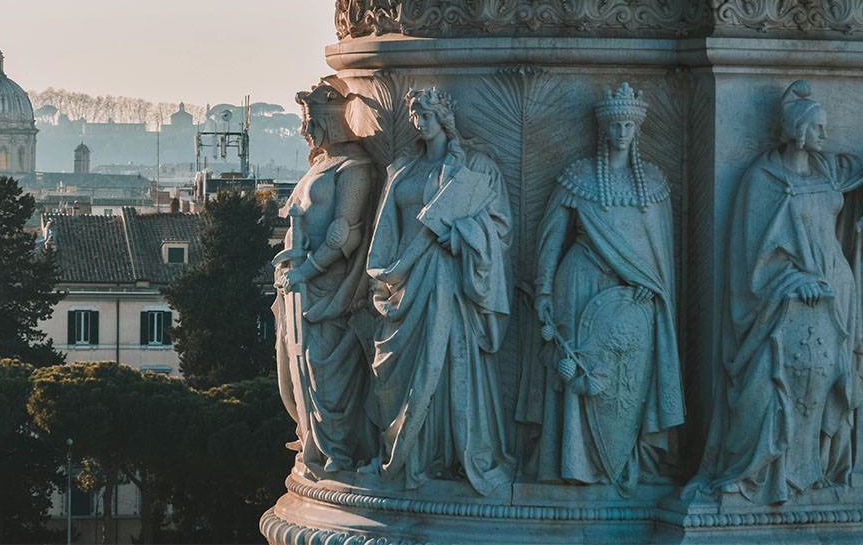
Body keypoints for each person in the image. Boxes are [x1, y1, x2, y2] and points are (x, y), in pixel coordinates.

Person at [693, 80, 863, 504]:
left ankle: (822, 469)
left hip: (836, 293)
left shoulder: (827, 171)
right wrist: (791, 279)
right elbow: (751, 256)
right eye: (818, 128)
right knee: (772, 388)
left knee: (826, 382)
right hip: (779, 305)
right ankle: (763, 473)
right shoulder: (763, 178)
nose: (825, 135)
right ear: (796, 130)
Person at [523, 82, 684, 492]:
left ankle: (627, 459)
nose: (621, 131)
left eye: (629, 124)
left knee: (627, 383)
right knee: (578, 371)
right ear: (603, 129)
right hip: (579, 284)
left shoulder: (653, 184)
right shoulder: (578, 177)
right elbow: (550, 238)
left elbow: (659, 252)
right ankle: (576, 464)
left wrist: (654, 286)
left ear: (638, 129)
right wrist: (543, 292)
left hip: (634, 301)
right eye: (615, 124)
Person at [364, 87, 513, 494]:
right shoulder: (402, 169)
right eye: (414, 115)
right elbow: (385, 233)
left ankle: (445, 456)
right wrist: (386, 276)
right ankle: (408, 456)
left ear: (445, 119)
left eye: (426, 115)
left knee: (448, 368)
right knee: (403, 374)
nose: (419, 122)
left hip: (449, 283)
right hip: (404, 285)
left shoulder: (476, 168)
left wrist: (460, 235)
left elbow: (500, 230)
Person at [274, 78, 379, 473]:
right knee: (295, 368)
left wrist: (307, 269)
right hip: (297, 285)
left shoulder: (357, 168)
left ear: (331, 121)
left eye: (312, 122)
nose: (306, 131)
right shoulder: (323, 164)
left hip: (326, 288)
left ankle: (340, 451)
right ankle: (313, 442)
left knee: (324, 371)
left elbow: (342, 233)